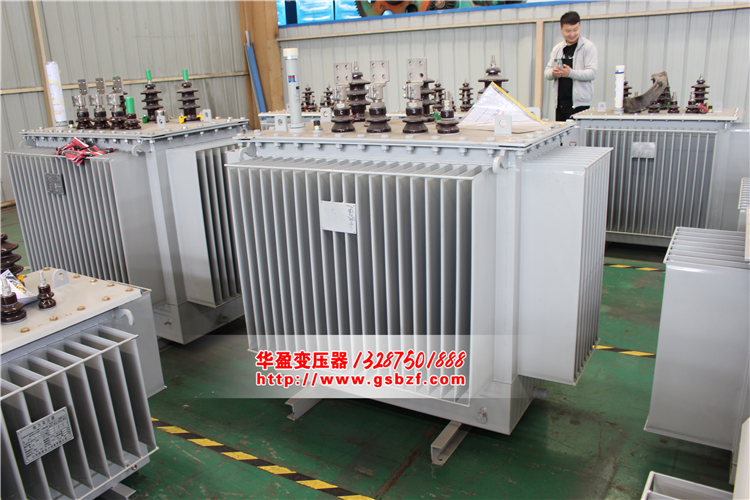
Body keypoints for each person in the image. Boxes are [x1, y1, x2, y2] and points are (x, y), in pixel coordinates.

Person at [544, 11, 598, 122]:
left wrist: (570, 73)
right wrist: (553, 73)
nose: (572, 34)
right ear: (561, 29)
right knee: (561, 133)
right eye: (568, 31)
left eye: (575, 29)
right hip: (560, 105)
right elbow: (547, 73)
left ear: (580, 26)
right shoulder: (557, 49)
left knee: (577, 133)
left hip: (580, 106)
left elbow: (592, 73)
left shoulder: (588, 47)